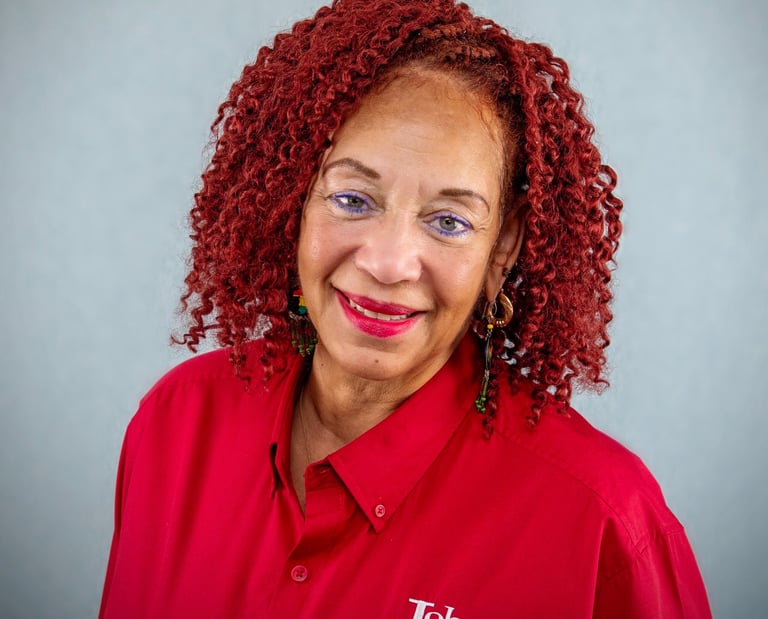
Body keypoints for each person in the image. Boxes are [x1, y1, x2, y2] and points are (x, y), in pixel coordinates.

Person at [99, 0, 712, 617]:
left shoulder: (602, 520)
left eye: (448, 221)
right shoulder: (175, 427)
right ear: (295, 200)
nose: (390, 263)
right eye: (353, 199)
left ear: (503, 247)